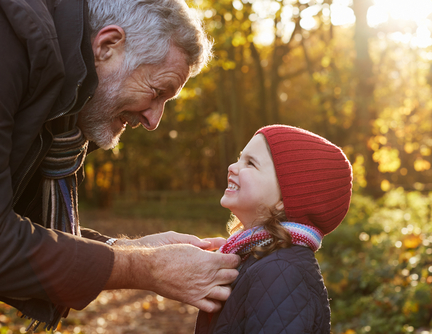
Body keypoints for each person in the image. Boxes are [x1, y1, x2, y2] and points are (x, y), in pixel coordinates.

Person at [0, 0, 240, 330]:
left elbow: (21, 224)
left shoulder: (64, 107)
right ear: (108, 45)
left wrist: (130, 249)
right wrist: (145, 268)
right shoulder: (9, 50)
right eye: (157, 91)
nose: (154, 120)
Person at [195, 124, 353, 333]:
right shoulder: (256, 256)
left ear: (283, 199)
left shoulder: (282, 272)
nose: (232, 167)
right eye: (239, 157)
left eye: (250, 163)